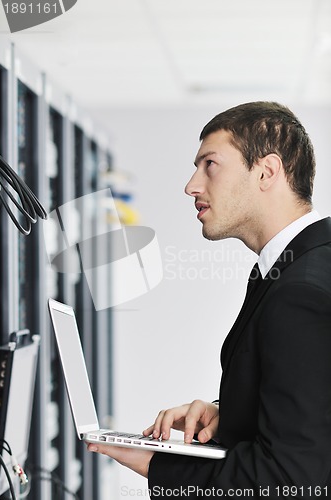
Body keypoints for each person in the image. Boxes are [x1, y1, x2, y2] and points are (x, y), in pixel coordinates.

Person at [87, 102, 331, 499]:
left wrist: (157, 464)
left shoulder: (300, 292)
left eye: (210, 164)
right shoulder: (298, 268)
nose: (192, 185)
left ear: (266, 172)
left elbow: (292, 480)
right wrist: (230, 413)